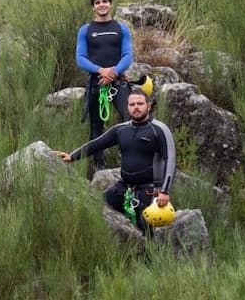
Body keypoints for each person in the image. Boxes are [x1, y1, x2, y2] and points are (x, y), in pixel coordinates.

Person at [53, 88, 175, 235]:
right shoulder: (121, 129)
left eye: (140, 104)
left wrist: (164, 191)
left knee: (148, 234)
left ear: (148, 106)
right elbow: (97, 144)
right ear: (127, 106)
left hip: (150, 192)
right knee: (97, 208)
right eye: (132, 104)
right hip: (123, 188)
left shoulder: (160, 129)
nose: (136, 107)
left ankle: (149, 256)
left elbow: (170, 159)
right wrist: (72, 156)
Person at [75, 0, 133, 174]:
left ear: (110, 4)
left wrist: (113, 73)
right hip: (96, 83)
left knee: (129, 120)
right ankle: (99, 167)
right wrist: (101, 71)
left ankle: (130, 163)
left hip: (117, 83)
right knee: (96, 126)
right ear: (93, 7)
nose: (102, 5)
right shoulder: (86, 30)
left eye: (105, 1)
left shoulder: (121, 29)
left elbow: (127, 56)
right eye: (98, 2)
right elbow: (81, 58)